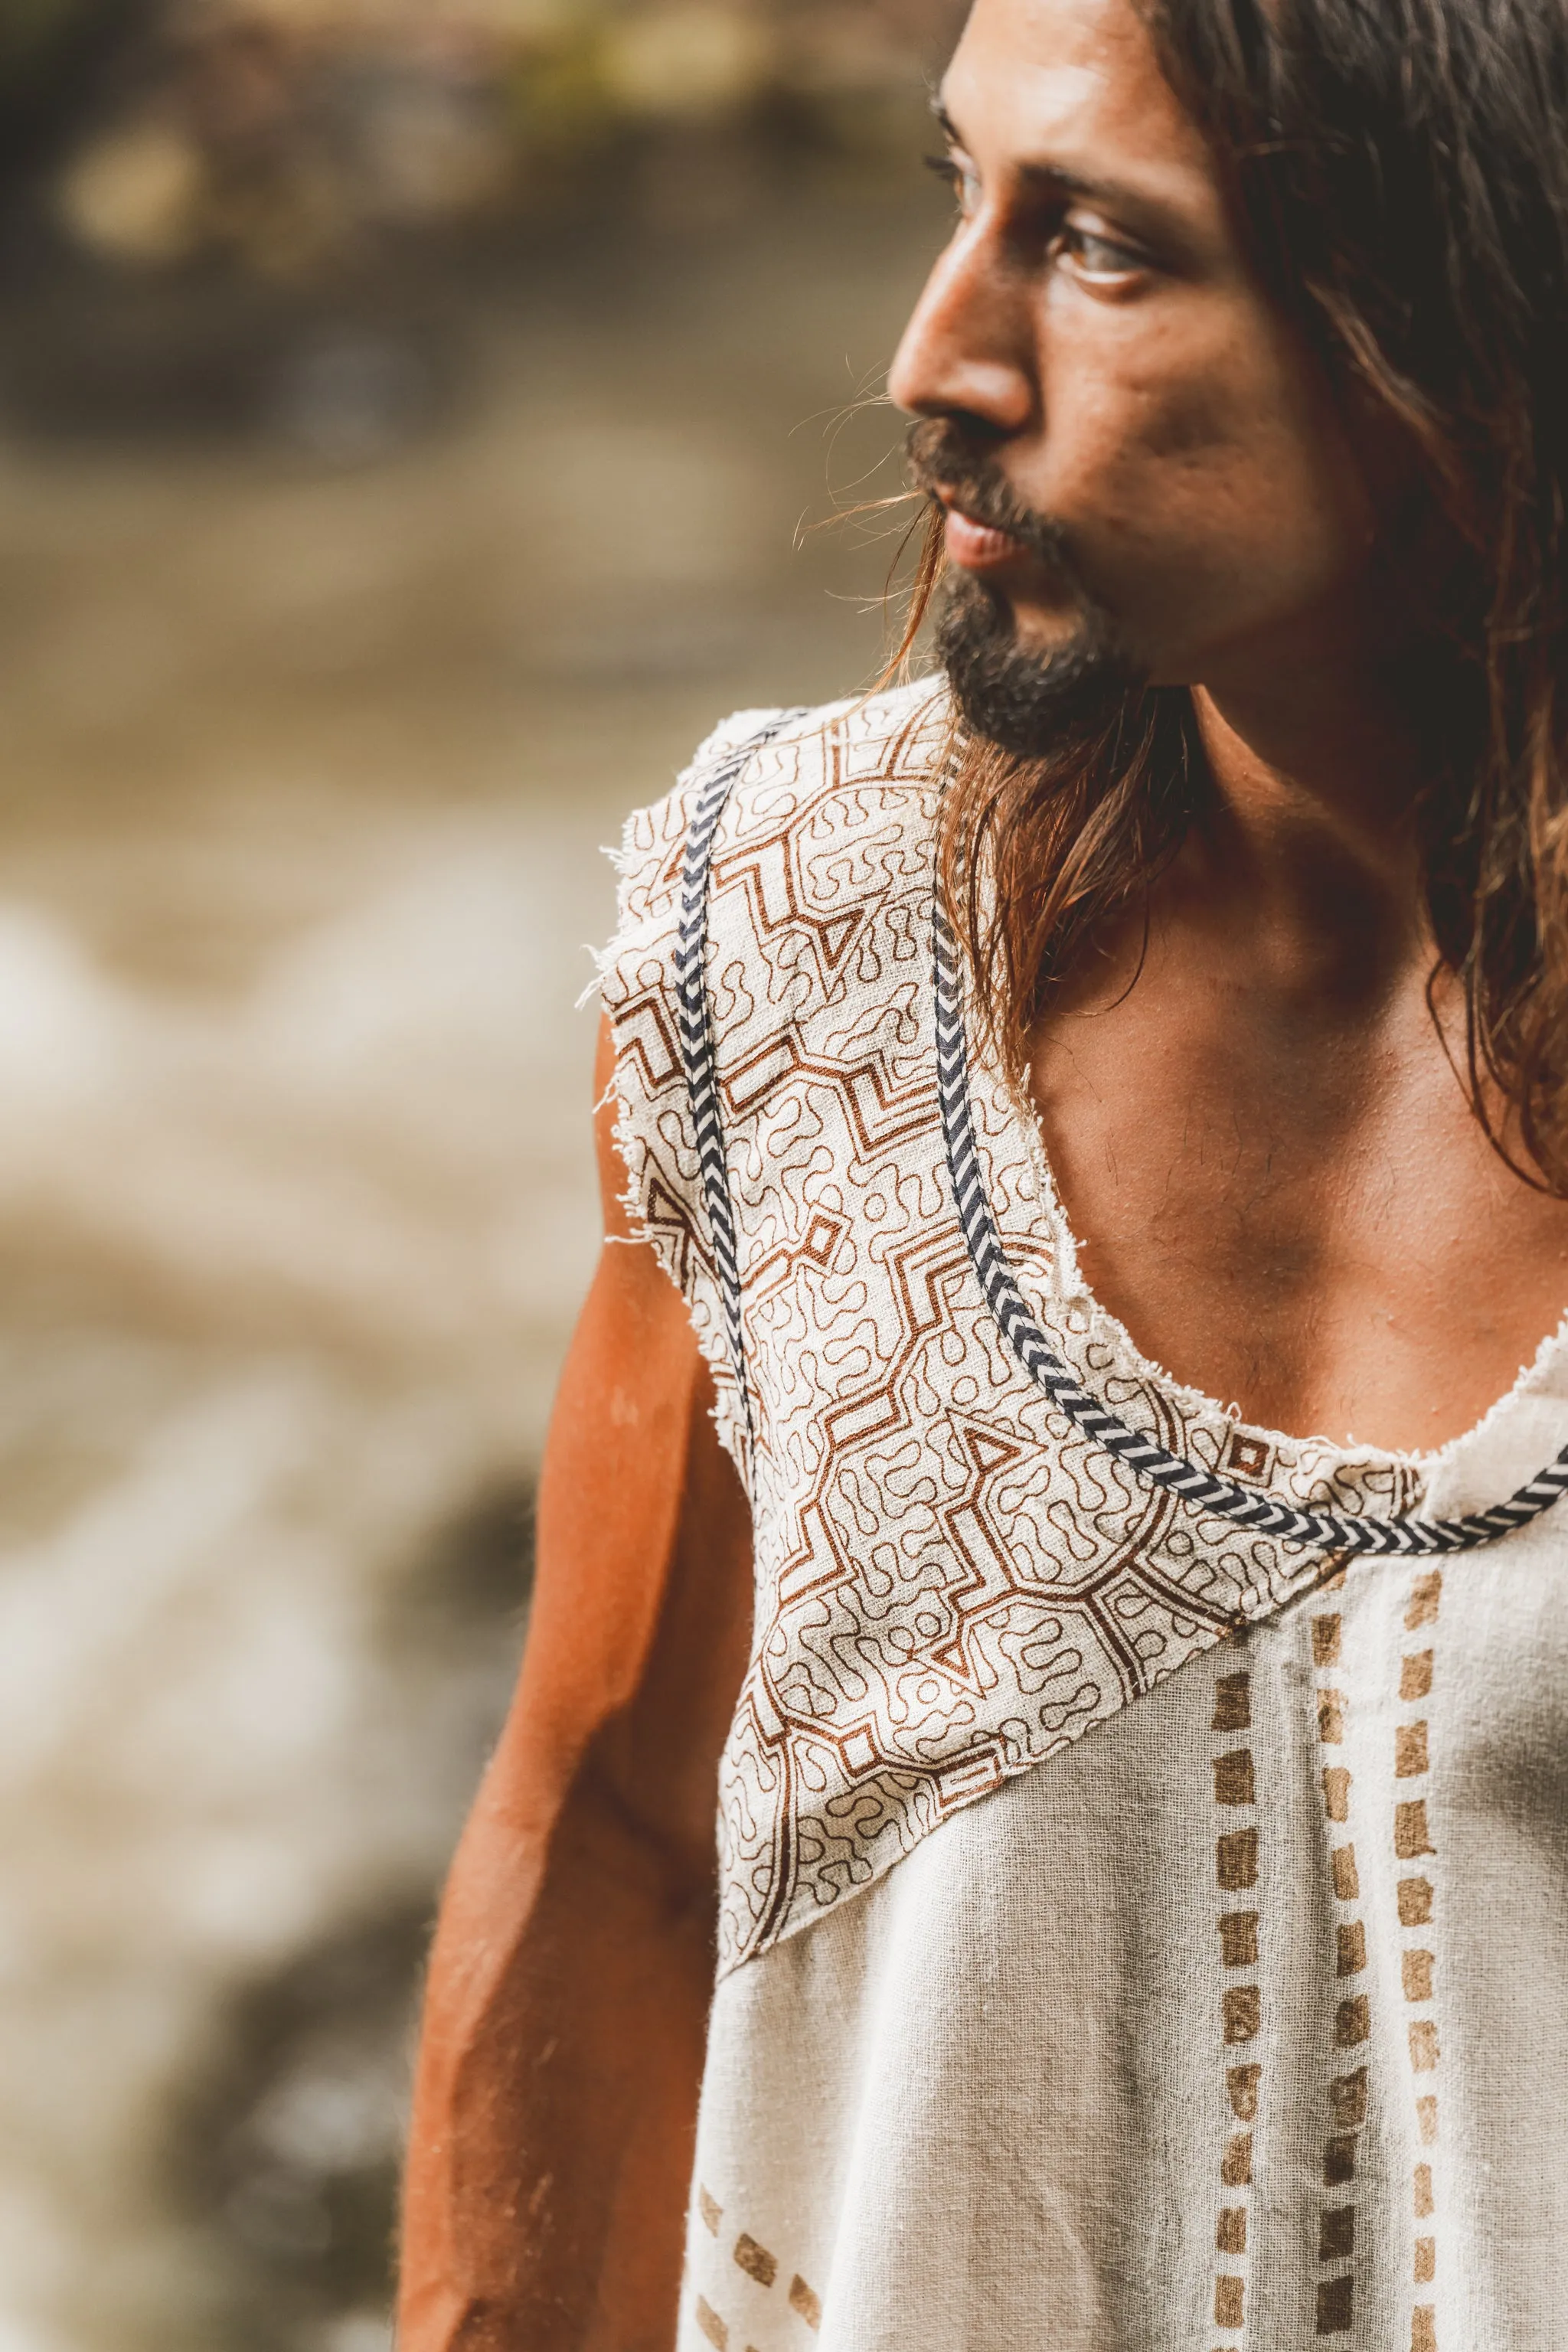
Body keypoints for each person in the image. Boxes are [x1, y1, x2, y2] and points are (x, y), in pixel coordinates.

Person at [397, 0, 1568, 2342]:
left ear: (1460, 335)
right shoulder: (791, 932)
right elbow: (614, 1836)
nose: (937, 358)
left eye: (1102, 249)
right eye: (963, 192)